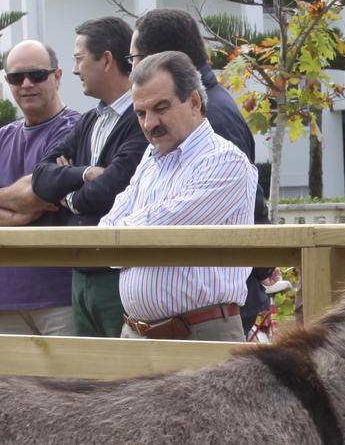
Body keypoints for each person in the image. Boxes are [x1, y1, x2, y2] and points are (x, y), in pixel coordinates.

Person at [130, 8, 276, 337]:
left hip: (203, 321)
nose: (150, 122)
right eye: (142, 113)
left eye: (135, 58)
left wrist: (264, 263)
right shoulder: (169, 133)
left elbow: (170, 222)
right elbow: (117, 225)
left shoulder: (213, 120)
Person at [101, 51, 256, 342]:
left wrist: (125, 234)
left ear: (195, 102)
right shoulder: (151, 156)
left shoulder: (226, 161)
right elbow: (105, 240)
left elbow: (159, 232)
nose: (149, 124)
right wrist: (126, 234)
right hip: (135, 334)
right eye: (141, 113)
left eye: (161, 108)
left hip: (201, 334)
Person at [32, 17, 148, 338]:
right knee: (85, 380)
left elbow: (112, 190)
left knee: (121, 380)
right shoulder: (88, 122)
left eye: (79, 58)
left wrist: (67, 197)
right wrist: (83, 173)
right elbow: (40, 177)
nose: (74, 69)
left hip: (117, 275)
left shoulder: (141, 119)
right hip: (80, 273)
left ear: (107, 59)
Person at [0, 41, 81, 336]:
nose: (26, 84)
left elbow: (37, 194)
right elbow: (34, 196)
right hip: (5, 301)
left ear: (57, 76)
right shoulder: (3, 137)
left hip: (60, 297)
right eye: (15, 77)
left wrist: (30, 197)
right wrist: (22, 206)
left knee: (70, 383)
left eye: (37, 75)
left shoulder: (76, 130)